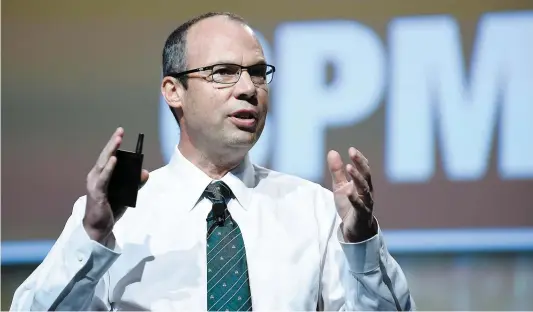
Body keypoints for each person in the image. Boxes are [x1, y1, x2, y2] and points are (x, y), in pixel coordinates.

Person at [10, 12, 415, 311]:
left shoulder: (314, 210)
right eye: (224, 72)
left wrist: (362, 242)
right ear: (174, 90)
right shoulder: (115, 218)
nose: (248, 89)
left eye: (258, 73)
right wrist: (94, 236)